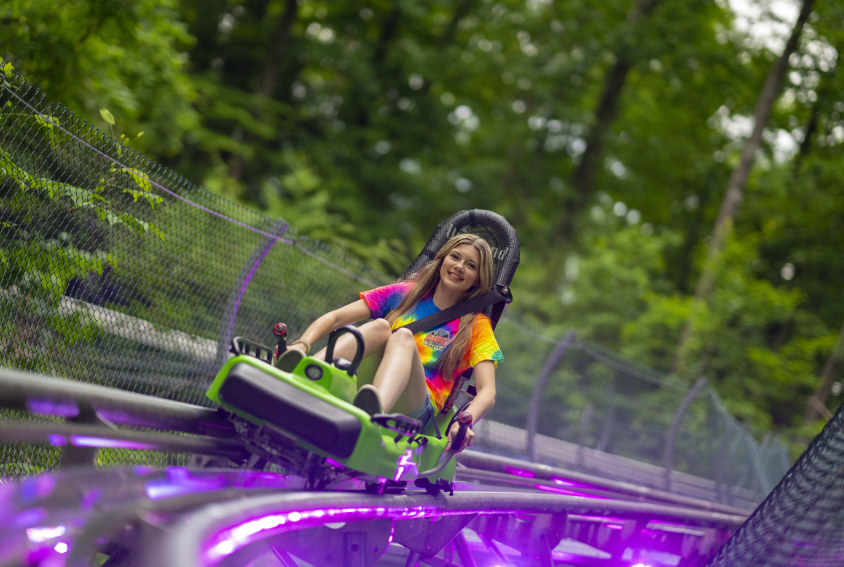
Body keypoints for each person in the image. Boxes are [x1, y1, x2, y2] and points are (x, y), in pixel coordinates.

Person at [278, 234, 504, 453]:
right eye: (455, 257)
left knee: (403, 336)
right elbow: (335, 318)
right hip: (366, 383)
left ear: (478, 279)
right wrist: (301, 344)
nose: (459, 267)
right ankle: (304, 373)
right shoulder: (405, 294)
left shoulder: (475, 325)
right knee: (380, 327)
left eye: (471, 265)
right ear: (443, 259)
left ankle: (374, 414)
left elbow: (487, 392)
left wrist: (466, 423)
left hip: (416, 407)